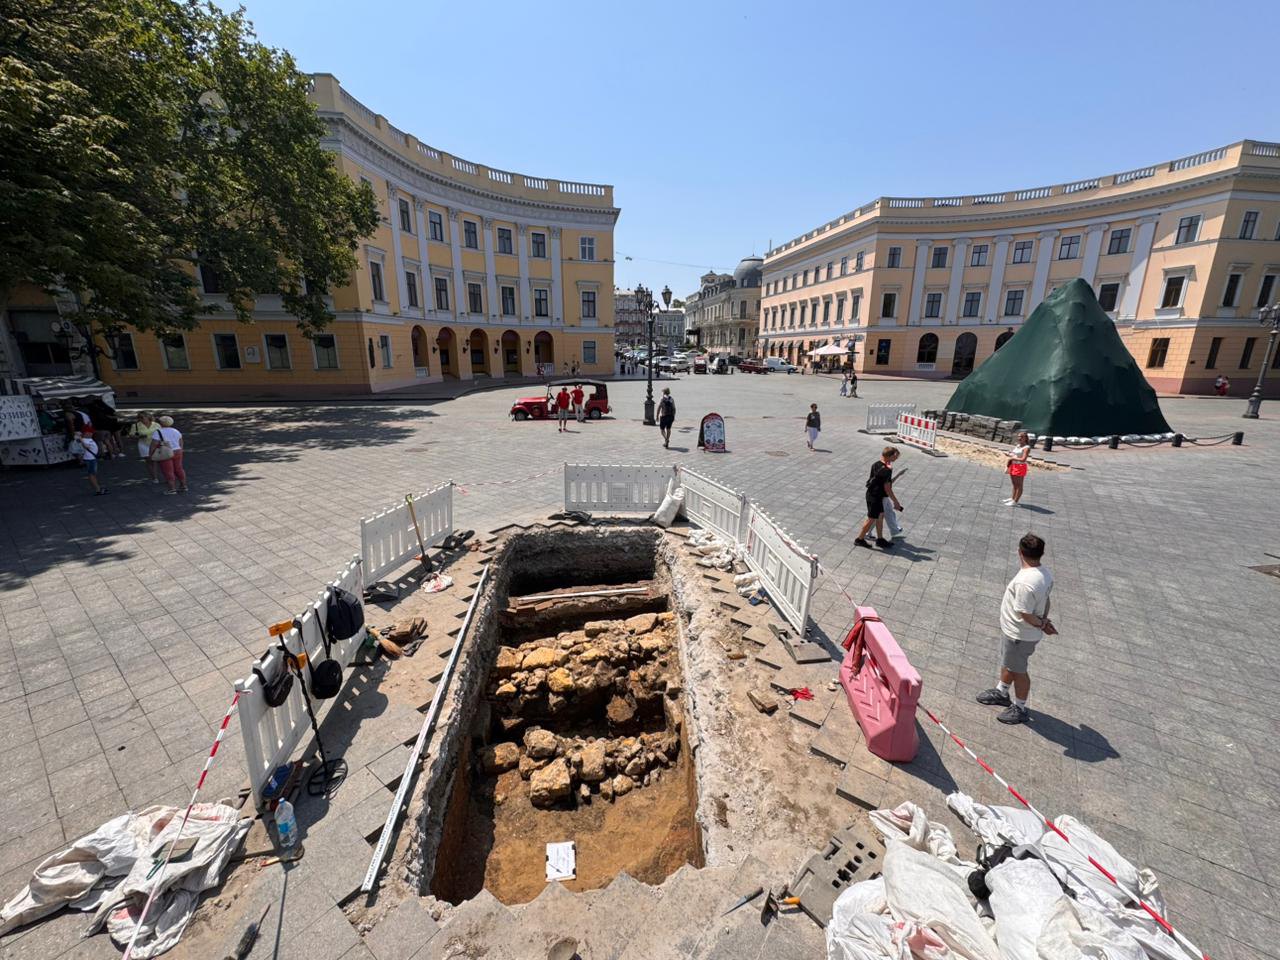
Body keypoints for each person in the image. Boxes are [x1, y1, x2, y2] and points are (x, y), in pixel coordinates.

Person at [976, 533, 1056, 725]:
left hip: (1019, 635)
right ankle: (1002, 691)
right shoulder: (1045, 574)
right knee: (1009, 662)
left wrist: (1041, 624)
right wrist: (1044, 620)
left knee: (1019, 671)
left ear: (1019, 552)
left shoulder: (1024, 583)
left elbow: (1025, 614)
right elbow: (1046, 600)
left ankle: (1020, 708)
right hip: (1017, 634)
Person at [854, 446, 901, 549]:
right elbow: (887, 488)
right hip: (875, 497)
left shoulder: (876, 464)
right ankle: (859, 539)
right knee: (871, 519)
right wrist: (896, 502)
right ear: (890, 456)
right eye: (895, 456)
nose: (896, 458)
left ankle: (880, 539)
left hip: (873, 494)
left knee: (880, 517)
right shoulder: (887, 470)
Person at [149, 414, 186, 494]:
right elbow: (181, 441)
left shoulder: (158, 432)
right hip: (177, 451)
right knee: (179, 469)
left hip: (166, 452)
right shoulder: (176, 430)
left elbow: (154, 444)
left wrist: (151, 454)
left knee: (168, 470)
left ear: (161, 423)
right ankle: (183, 485)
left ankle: (172, 489)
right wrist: (181, 450)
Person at [129, 413, 161, 481]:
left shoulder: (156, 424)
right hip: (143, 444)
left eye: (142, 417)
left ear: (148, 417)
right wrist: (139, 436)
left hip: (155, 444)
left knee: (154, 460)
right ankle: (154, 477)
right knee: (149, 460)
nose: (141, 419)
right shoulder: (135, 425)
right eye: (139, 417)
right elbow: (131, 435)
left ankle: (156, 475)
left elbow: (161, 433)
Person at [1003, 431, 1031, 506]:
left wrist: (1012, 458)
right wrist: (1009, 454)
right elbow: (1015, 454)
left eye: (1021, 437)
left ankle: (1015, 501)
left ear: (1025, 438)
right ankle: (1012, 498)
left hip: (1020, 466)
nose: (1019, 438)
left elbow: (1023, 459)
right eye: (1019, 436)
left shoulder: (1026, 448)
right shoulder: (1018, 445)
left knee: (1019, 485)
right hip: (1013, 465)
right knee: (1014, 484)